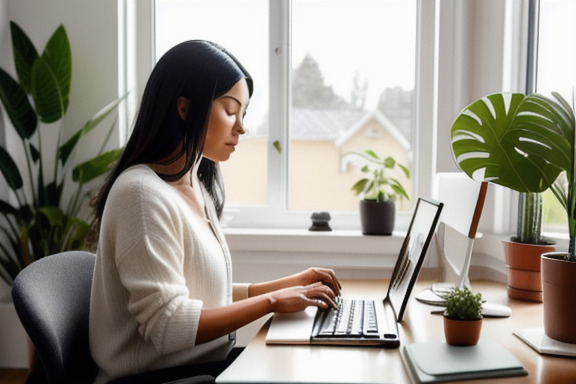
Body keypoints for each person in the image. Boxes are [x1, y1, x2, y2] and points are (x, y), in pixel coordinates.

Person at [89, 40, 341, 384]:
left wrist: (288, 286)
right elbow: (168, 326)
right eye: (230, 110)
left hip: (202, 368)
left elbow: (202, 294)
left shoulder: (193, 184)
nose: (242, 127)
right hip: (157, 378)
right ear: (183, 108)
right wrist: (272, 301)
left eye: (244, 114)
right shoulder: (141, 196)